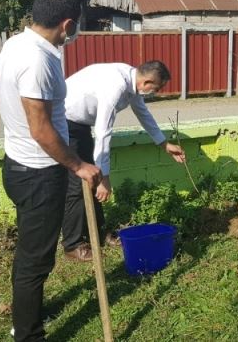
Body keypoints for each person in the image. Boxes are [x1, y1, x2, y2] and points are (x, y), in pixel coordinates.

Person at [0, 0, 102, 341]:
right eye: (75, 26)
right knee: (36, 260)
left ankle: (27, 309)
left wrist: (11, 121)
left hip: (17, 166)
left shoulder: (17, 43)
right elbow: (41, 130)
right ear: (67, 24)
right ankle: (28, 333)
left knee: (31, 252)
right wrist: (79, 165)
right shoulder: (38, 61)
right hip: (38, 174)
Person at [61, 61, 186, 262]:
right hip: (64, 122)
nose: (156, 92)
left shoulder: (132, 83)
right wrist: (105, 178)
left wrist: (164, 144)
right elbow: (103, 132)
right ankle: (72, 245)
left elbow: (143, 113)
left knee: (92, 178)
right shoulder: (116, 85)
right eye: (156, 88)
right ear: (146, 81)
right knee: (78, 185)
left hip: (80, 124)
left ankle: (100, 233)